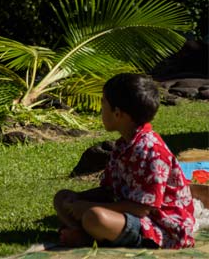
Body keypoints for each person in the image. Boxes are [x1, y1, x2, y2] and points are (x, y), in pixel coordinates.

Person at [53, 74, 196, 249]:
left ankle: (90, 235)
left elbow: (143, 209)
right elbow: (109, 190)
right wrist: (78, 201)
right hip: (127, 213)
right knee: (63, 198)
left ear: (118, 113)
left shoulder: (152, 151)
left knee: (95, 216)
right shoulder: (122, 146)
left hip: (159, 225)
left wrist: (89, 206)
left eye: (103, 103)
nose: (101, 109)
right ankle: (83, 233)